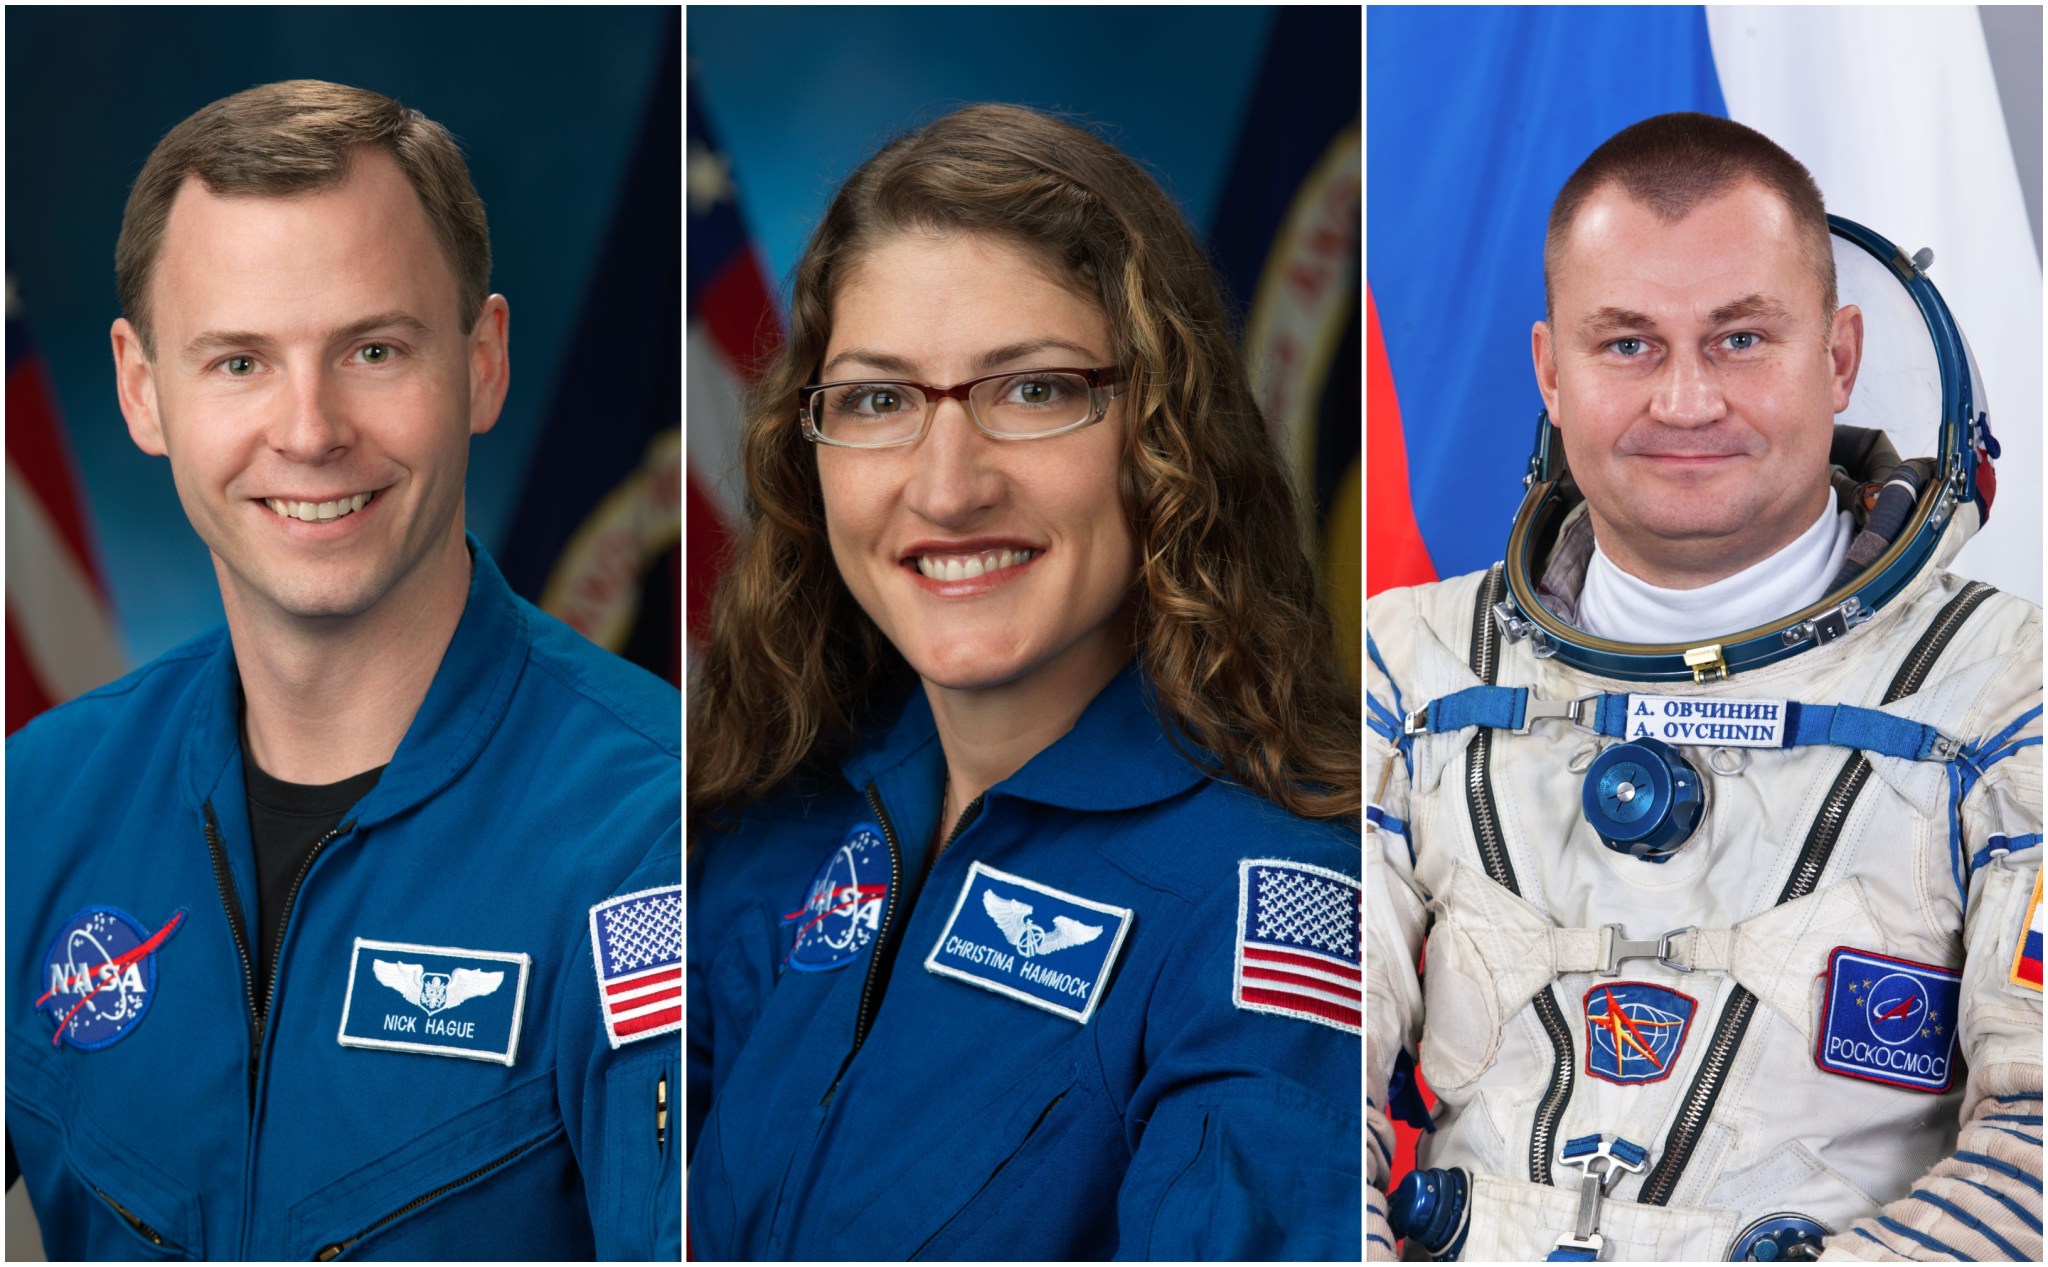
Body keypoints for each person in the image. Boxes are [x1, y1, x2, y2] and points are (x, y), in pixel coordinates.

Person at [4, 81, 681, 1260]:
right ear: (140, 387)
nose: (309, 430)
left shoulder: (655, 833)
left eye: (372, 349)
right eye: (237, 363)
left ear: (482, 362)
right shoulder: (40, 800)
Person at [686, 103, 1362, 1259]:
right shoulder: (772, 824)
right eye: (878, 399)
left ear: (1164, 433)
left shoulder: (1271, 900)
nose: (946, 488)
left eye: (1034, 390)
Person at [1366, 112, 2041, 1262]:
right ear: (1549, 372)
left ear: (1835, 359)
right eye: (1625, 345)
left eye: (1738, 340)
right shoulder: (1408, 670)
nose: (1684, 403)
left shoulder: (2004, 696)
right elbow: (1291, 1069)